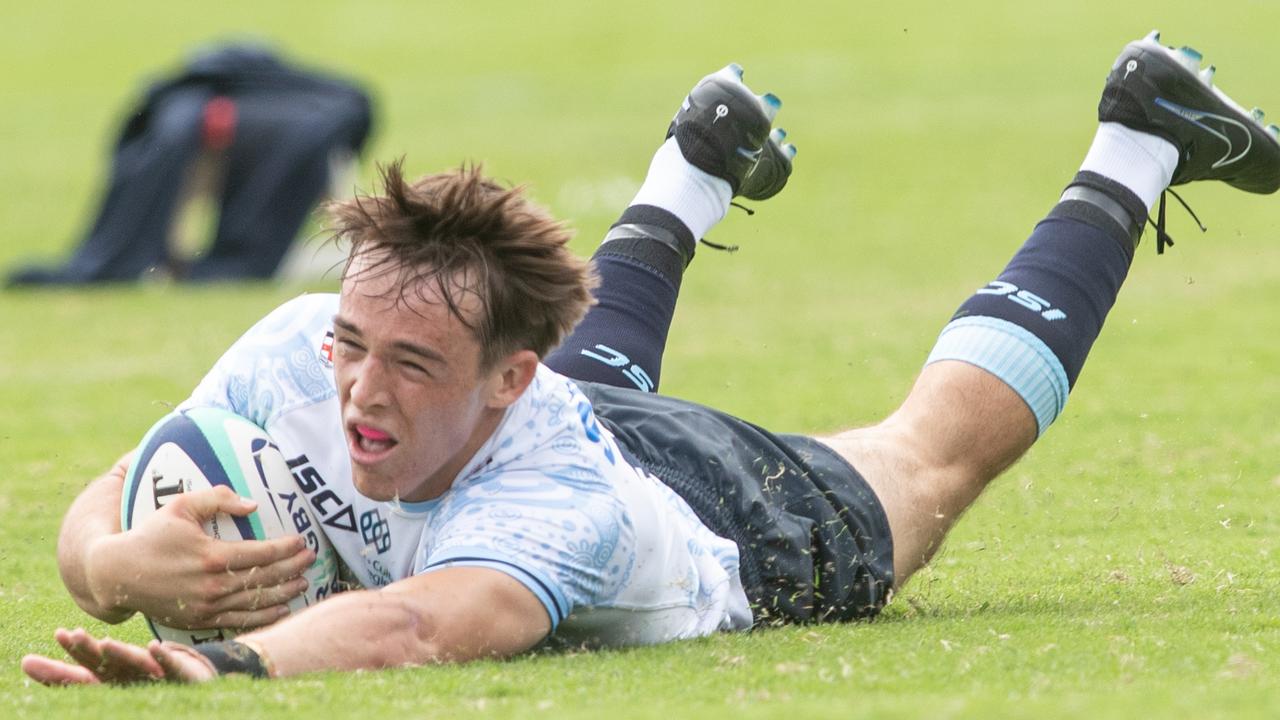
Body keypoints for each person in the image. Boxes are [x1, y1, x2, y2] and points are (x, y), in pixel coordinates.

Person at [22, 31, 1280, 684]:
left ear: (510, 380)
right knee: (554, 385)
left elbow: (418, 625)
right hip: (539, 419)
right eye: (354, 343)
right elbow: (121, 483)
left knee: (927, 460)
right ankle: (692, 161)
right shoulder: (301, 343)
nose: (357, 387)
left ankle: (1135, 141)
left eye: (410, 364)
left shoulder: (560, 500)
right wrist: (115, 560)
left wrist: (221, 660)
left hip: (711, 513)